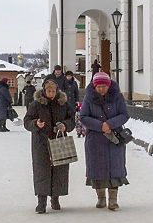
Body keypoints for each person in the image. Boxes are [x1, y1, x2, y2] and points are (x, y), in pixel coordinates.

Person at [79, 71, 129, 210]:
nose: (101, 89)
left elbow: (124, 115)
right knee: (97, 169)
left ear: (109, 85)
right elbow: (83, 117)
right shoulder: (88, 99)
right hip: (95, 139)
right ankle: (101, 198)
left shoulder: (117, 97)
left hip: (114, 139)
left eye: (103, 86)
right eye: (98, 86)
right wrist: (100, 126)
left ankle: (113, 199)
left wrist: (110, 124)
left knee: (115, 169)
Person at [26, 76, 76, 213]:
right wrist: (35, 124)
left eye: (53, 91)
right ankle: (41, 202)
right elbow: (27, 121)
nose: (51, 94)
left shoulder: (63, 103)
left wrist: (65, 125)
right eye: (49, 91)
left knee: (59, 169)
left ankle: (55, 198)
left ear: (57, 91)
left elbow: (72, 118)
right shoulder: (36, 104)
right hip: (41, 142)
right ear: (44, 90)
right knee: (42, 170)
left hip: (58, 140)